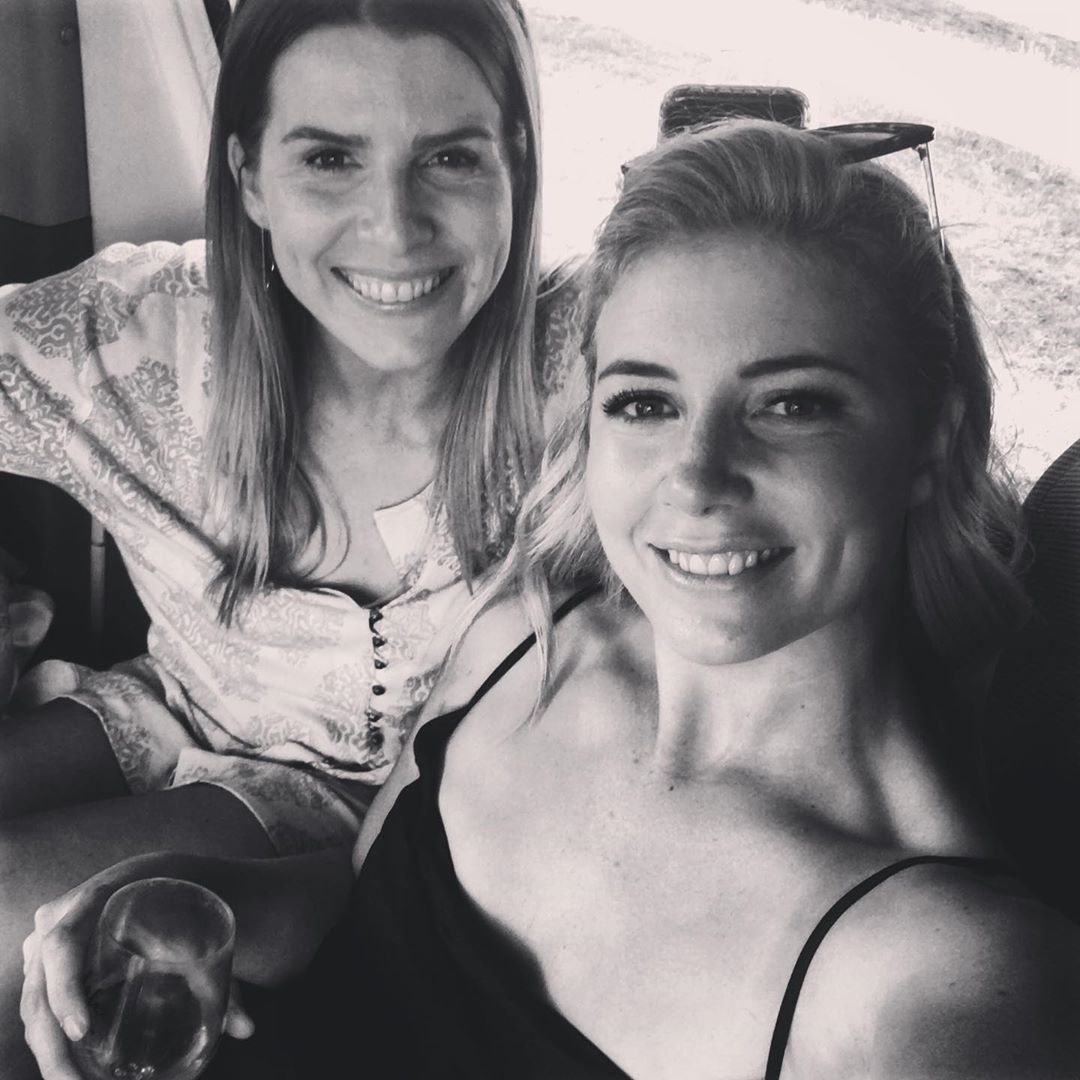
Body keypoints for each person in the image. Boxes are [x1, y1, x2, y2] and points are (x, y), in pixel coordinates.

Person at [24, 119, 1080, 1079]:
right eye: (646, 403)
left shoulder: (949, 983)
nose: (697, 480)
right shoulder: (521, 642)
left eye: (791, 405)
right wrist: (213, 899)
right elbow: (362, 899)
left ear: (931, 442)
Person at [0, 0, 547, 1069]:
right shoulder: (141, 340)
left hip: (376, 816)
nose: (395, 226)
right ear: (248, 176)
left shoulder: (599, 377)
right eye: (330, 158)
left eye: (449, 157)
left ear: (516, 167)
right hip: (157, 711)